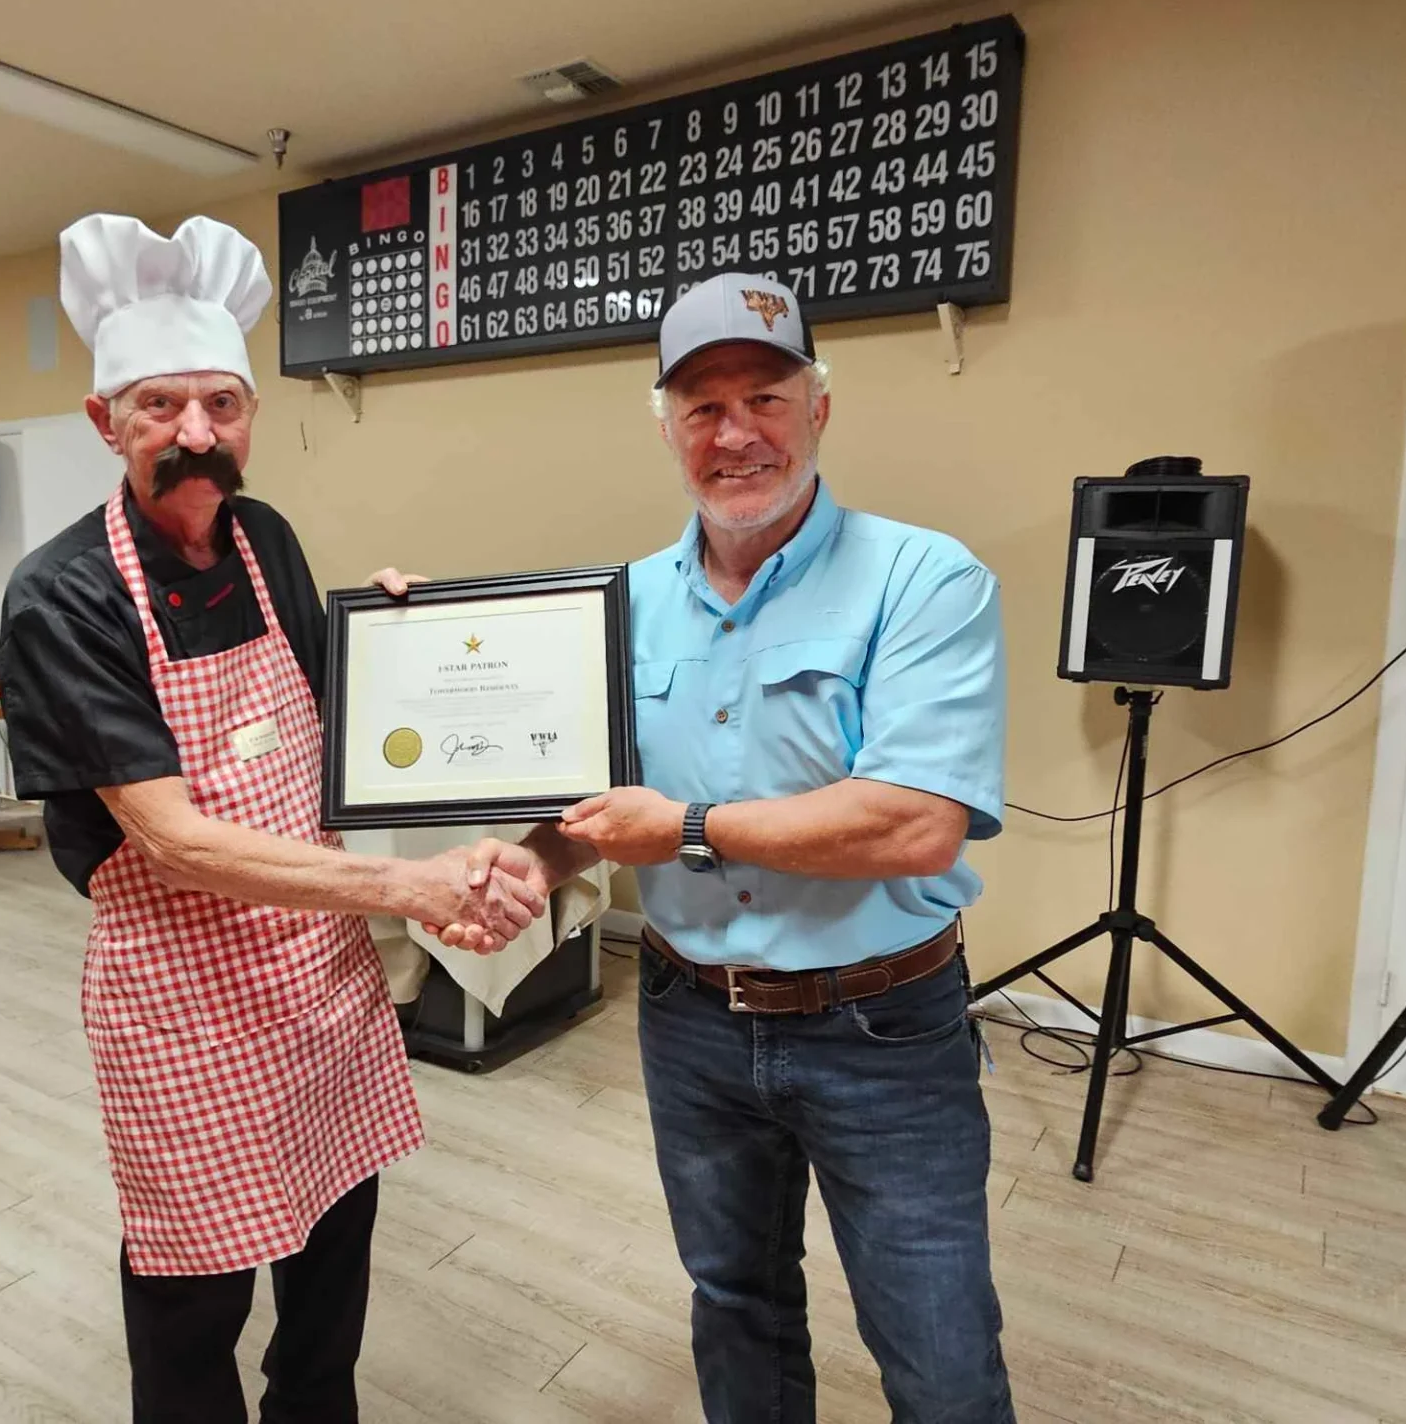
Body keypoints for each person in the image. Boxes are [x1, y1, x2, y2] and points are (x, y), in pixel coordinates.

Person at [435, 273, 1015, 1422]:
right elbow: (592, 803)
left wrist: (686, 830)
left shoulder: (924, 578)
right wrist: (529, 860)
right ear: (667, 427)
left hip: (882, 1031)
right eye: (702, 407)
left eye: (765, 398)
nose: (735, 432)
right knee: (735, 1302)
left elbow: (914, 822)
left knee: (939, 1350)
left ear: (819, 409)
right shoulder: (619, 604)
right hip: (691, 1019)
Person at [0, 213, 540, 1424]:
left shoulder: (267, 541)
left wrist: (406, 648)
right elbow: (173, 839)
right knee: (194, 1289)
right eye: (160, 406)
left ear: (249, 416)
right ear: (105, 422)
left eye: (222, 404)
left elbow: (344, 723)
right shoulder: (64, 595)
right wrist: (407, 889)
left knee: (335, 1247)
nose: (196, 433)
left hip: (319, 978)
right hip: (183, 990)